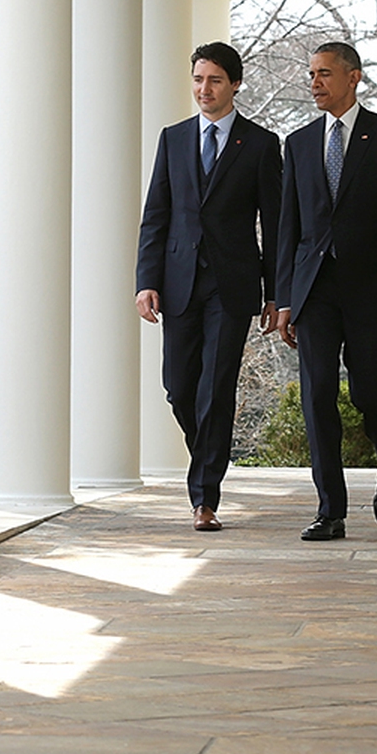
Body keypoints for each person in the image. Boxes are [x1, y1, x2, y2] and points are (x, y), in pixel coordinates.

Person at [273, 41, 377, 541]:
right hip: (314, 289)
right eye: (311, 74)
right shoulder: (296, 144)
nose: (315, 82)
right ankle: (330, 510)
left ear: (354, 77)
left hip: (372, 288)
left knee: (369, 389)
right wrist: (286, 298)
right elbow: (287, 229)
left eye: (325, 74)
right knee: (316, 396)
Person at [137, 42, 283, 532]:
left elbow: (276, 224)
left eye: (215, 80)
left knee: (216, 389)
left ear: (235, 84)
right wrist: (145, 282)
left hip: (232, 285)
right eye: (198, 79)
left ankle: (204, 497)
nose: (204, 89)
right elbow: (155, 215)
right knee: (179, 389)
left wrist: (274, 293)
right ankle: (207, 457)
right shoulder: (173, 139)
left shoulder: (261, 145)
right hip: (178, 282)